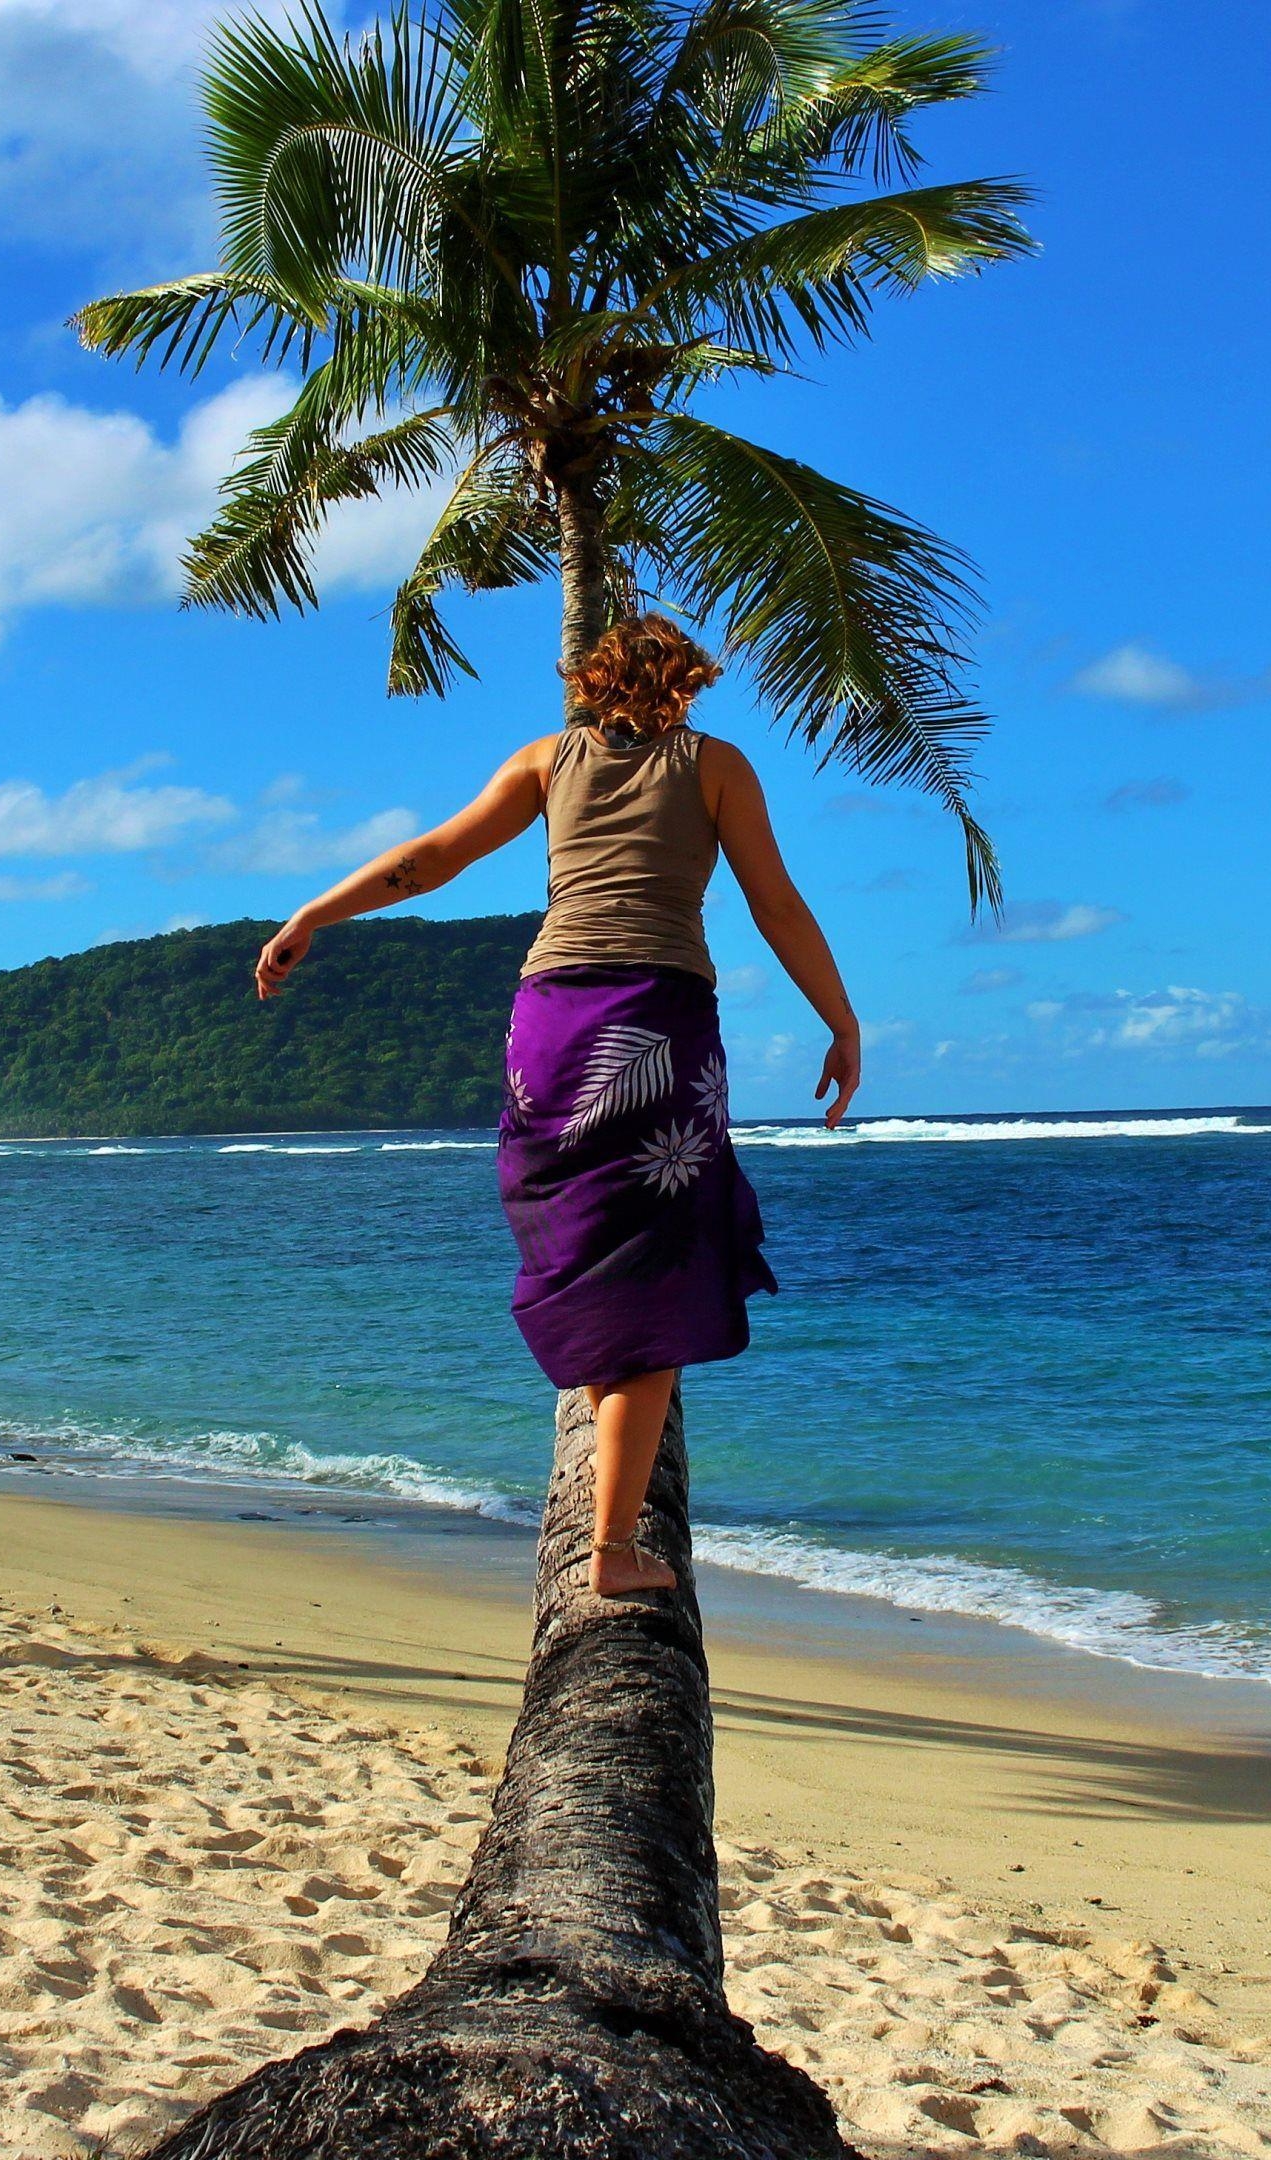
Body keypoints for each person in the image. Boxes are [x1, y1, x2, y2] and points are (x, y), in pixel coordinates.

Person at [254, 612, 862, 1596]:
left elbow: (433, 857)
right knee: (660, 1271)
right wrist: (842, 1021)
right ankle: (615, 1551)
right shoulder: (717, 766)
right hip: (657, 1022)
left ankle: (596, 1391)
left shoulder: (544, 761)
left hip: (550, 1023)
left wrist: (312, 913)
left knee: (580, 1230)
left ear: (589, 683)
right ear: (684, 685)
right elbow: (776, 905)